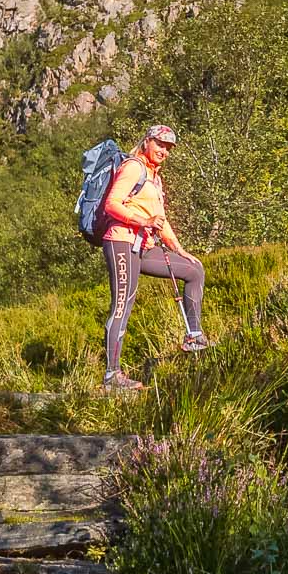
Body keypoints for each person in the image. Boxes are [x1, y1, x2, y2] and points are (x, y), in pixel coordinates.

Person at [99, 123, 210, 390]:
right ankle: (112, 376)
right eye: (160, 144)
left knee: (194, 270)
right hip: (122, 242)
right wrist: (142, 219)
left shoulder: (155, 177)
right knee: (122, 305)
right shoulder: (134, 167)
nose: (164, 151)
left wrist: (179, 249)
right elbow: (111, 204)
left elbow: (160, 220)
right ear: (147, 141)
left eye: (169, 148)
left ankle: (194, 336)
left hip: (144, 246)